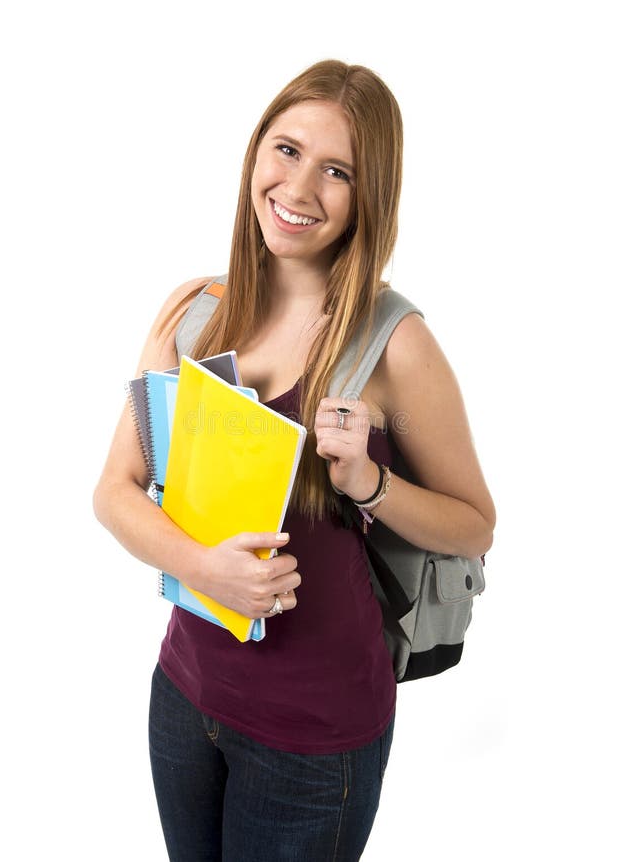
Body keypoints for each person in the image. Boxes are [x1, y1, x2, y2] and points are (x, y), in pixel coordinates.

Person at [93, 59, 495, 861]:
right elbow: (116, 490)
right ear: (254, 155)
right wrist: (206, 569)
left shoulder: (394, 344)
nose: (299, 187)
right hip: (184, 698)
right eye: (285, 150)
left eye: (336, 171)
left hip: (316, 741)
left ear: (366, 195)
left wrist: (369, 482)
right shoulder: (197, 310)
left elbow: (474, 523)